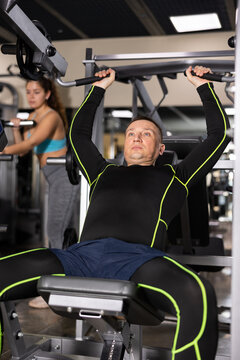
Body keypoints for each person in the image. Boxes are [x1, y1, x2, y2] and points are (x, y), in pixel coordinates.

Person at [0, 66, 230, 359]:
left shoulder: (177, 176)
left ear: (160, 149)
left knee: (198, 292)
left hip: (138, 261)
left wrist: (203, 87)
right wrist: (99, 88)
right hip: (78, 257)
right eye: (132, 132)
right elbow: (79, 136)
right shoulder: (102, 172)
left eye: (146, 134)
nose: (136, 137)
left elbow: (217, 136)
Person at [0, 78, 80, 308]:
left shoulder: (51, 116)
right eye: (28, 92)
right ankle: (61, 286)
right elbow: (25, 149)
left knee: (55, 232)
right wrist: (16, 129)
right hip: (51, 177)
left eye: (36, 92)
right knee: (55, 233)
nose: (31, 96)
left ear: (47, 94)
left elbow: (28, 145)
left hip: (64, 176)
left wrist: (3, 148)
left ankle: (57, 292)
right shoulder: (33, 117)